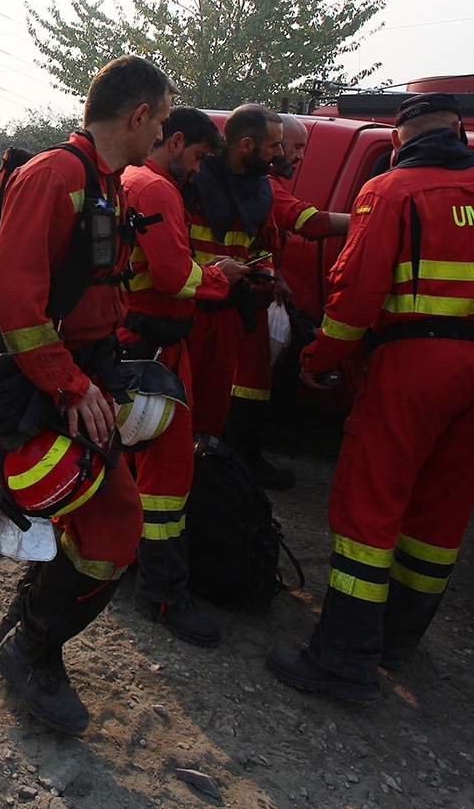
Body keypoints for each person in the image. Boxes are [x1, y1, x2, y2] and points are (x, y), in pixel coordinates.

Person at [265, 93, 474, 702]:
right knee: (441, 512)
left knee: (368, 509)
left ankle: (343, 659)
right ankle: (398, 640)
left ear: (399, 142)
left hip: (414, 364)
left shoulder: (391, 191)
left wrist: (318, 358)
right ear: (459, 131)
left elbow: (354, 293)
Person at [0, 54, 172, 736]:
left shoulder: (105, 182)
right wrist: (67, 385)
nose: (163, 139)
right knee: (117, 519)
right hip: (41, 381)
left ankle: (27, 625)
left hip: (80, 371)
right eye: (162, 121)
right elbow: (12, 294)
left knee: (79, 510)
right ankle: (32, 648)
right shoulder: (56, 176)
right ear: (139, 114)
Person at [120, 107, 247, 647]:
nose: (197, 170)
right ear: (174, 142)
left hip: (123, 342)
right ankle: (164, 593)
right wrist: (220, 275)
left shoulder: (123, 180)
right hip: (156, 355)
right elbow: (174, 276)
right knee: (168, 481)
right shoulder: (157, 189)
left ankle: (111, 562)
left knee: (118, 457)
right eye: (196, 157)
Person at [226, 114, 351, 489]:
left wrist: (275, 273)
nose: (295, 155)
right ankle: (240, 464)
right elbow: (308, 222)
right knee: (248, 383)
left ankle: (240, 460)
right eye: (292, 147)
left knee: (253, 380)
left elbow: (260, 242)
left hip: (253, 293)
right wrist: (374, 217)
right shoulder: (267, 186)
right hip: (241, 300)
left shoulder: (266, 185)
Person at [183, 106, 287, 437]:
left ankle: (204, 476)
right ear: (245, 145)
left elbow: (262, 246)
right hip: (187, 311)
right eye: (274, 145)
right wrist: (205, 272)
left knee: (212, 413)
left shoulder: (263, 191)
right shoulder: (192, 180)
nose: (280, 154)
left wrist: (265, 271)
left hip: (228, 316)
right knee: (174, 407)